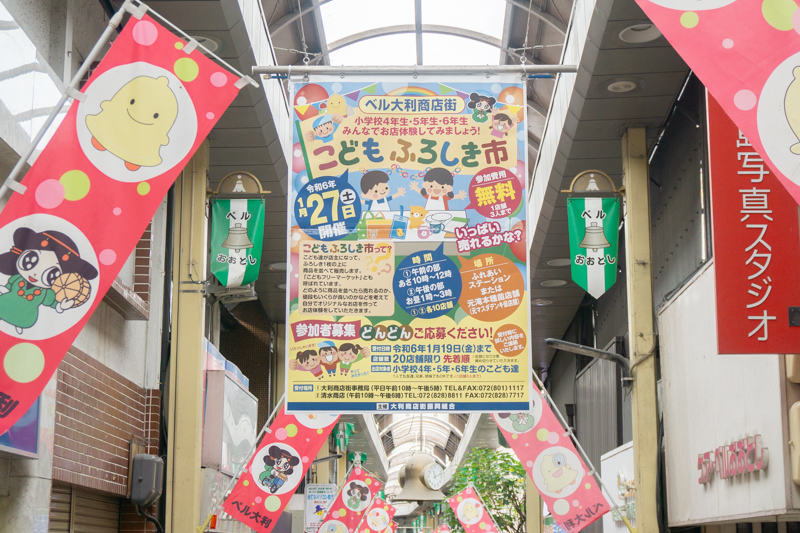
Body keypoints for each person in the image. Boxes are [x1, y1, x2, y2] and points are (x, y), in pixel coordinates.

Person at [0, 228, 98, 334]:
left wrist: (60, 306)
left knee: (23, 319)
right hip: (7, 302)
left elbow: (52, 302)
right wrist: (4, 289)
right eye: (30, 261)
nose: (35, 274)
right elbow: (9, 286)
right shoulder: (17, 279)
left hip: (25, 314)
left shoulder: (45, 292)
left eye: (51, 274)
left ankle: (18, 324)